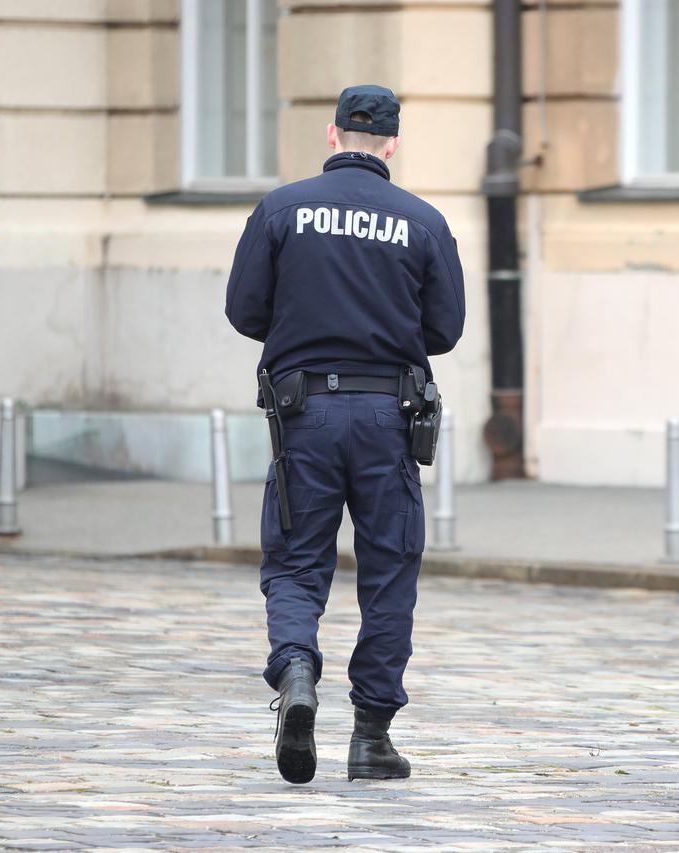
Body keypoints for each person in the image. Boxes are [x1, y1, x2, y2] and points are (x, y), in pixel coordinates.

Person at [225, 84, 465, 785]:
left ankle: (297, 667)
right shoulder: (422, 220)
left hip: (304, 415)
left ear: (332, 136)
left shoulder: (280, 209)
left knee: (298, 563)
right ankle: (372, 736)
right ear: (392, 143)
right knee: (389, 571)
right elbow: (444, 330)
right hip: (389, 418)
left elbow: (244, 310)